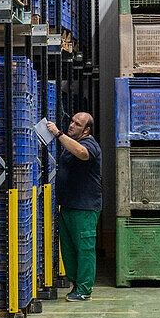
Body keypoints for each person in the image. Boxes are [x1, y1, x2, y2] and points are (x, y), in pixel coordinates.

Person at [46, 112, 102, 302]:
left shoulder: (90, 145)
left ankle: (85, 289)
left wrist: (58, 134)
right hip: (68, 206)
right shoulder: (70, 144)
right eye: (71, 122)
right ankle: (77, 285)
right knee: (69, 249)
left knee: (84, 248)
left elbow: (82, 153)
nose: (72, 125)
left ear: (86, 130)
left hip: (84, 207)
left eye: (77, 124)